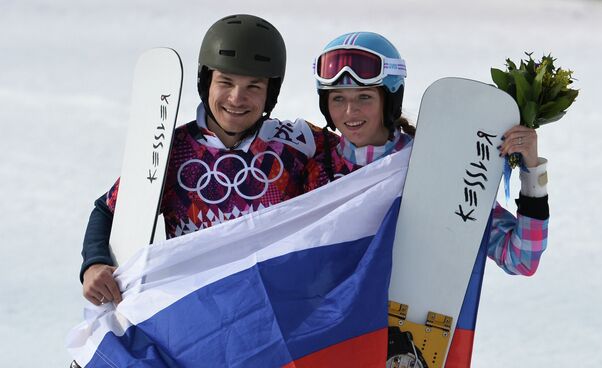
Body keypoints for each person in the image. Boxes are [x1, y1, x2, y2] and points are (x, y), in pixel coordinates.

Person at [306, 31, 549, 367]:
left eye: (364, 97)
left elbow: (520, 257)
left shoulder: (436, 167)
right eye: (337, 99)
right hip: (334, 345)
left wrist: (532, 173)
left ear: (389, 98)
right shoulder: (311, 167)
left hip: (409, 346)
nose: (350, 111)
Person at [80, 14, 327, 306]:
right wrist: (94, 264)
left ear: (270, 93)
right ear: (206, 81)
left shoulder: (298, 144)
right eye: (226, 82)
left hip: (275, 312)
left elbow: (360, 167)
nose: (237, 98)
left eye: (253, 86)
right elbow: (108, 210)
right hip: (195, 314)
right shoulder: (174, 151)